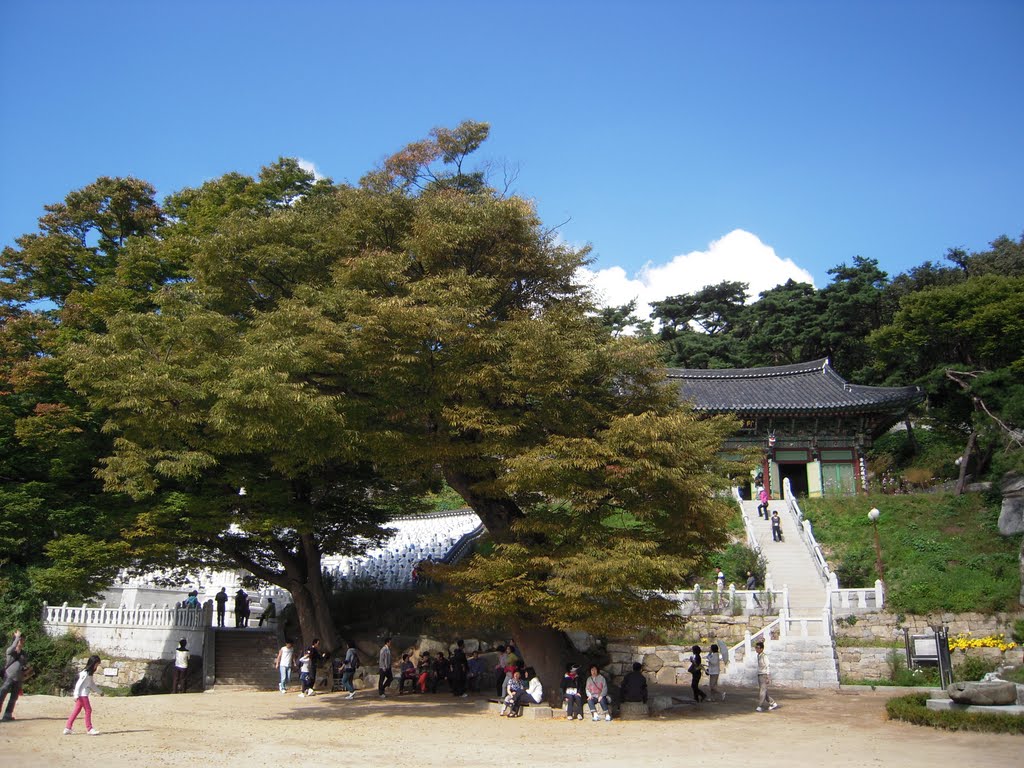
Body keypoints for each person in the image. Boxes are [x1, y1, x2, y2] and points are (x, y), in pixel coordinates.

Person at [63, 655, 102, 735]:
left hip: (83, 695)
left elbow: (92, 684)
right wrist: (76, 695)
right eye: (96, 664)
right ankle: (89, 728)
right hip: (82, 695)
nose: (97, 666)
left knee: (76, 710)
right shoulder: (85, 673)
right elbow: (78, 684)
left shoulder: (89, 674)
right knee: (88, 710)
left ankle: (68, 727)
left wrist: (99, 692)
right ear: (93, 664)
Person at [1, 630, 28, 721]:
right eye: (21, 640)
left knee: (13, 697)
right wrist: (17, 637)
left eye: (22, 640)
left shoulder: (23, 653)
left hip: (18, 678)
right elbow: (13, 647)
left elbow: (24, 663)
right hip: (9, 676)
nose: (22, 642)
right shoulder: (11, 651)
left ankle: (7, 715)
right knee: (2, 695)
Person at [754, 640, 779, 712]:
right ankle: (772, 703)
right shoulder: (758, 655)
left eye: (758, 648)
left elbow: (768, 665)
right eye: (756, 648)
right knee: (763, 691)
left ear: (761, 649)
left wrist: (768, 676)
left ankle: (760, 705)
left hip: (764, 674)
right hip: (760, 674)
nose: (757, 649)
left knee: (762, 691)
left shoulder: (764, 656)